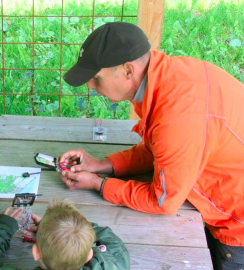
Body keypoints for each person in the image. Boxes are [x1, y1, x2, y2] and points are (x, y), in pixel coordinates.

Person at [59, 22, 244, 270]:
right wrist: (102, 165)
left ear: (127, 70)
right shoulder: (167, 80)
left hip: (236, 222)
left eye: (95, 78)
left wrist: (98, 184)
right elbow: (162, 149)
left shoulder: (177, 115)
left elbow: (163, 202)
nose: (90, 86)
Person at [0, 200, 129, 269]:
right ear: (89, 255)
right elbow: (112, 242)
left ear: (36, 252)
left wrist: (2, 229)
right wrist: (62, 231)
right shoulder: (111, 264)